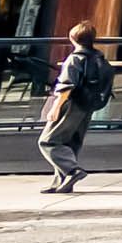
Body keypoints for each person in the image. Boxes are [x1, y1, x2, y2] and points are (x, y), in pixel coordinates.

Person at [38, 23, 109, 193]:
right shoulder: (98, 57)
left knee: (48, 141)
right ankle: (61, 183)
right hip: (87, 105)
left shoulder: (75, 58)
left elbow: (66, 85)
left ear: (72, 38)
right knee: (70, 143)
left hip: (71, 104)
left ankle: (72, 171)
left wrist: (56, 108)